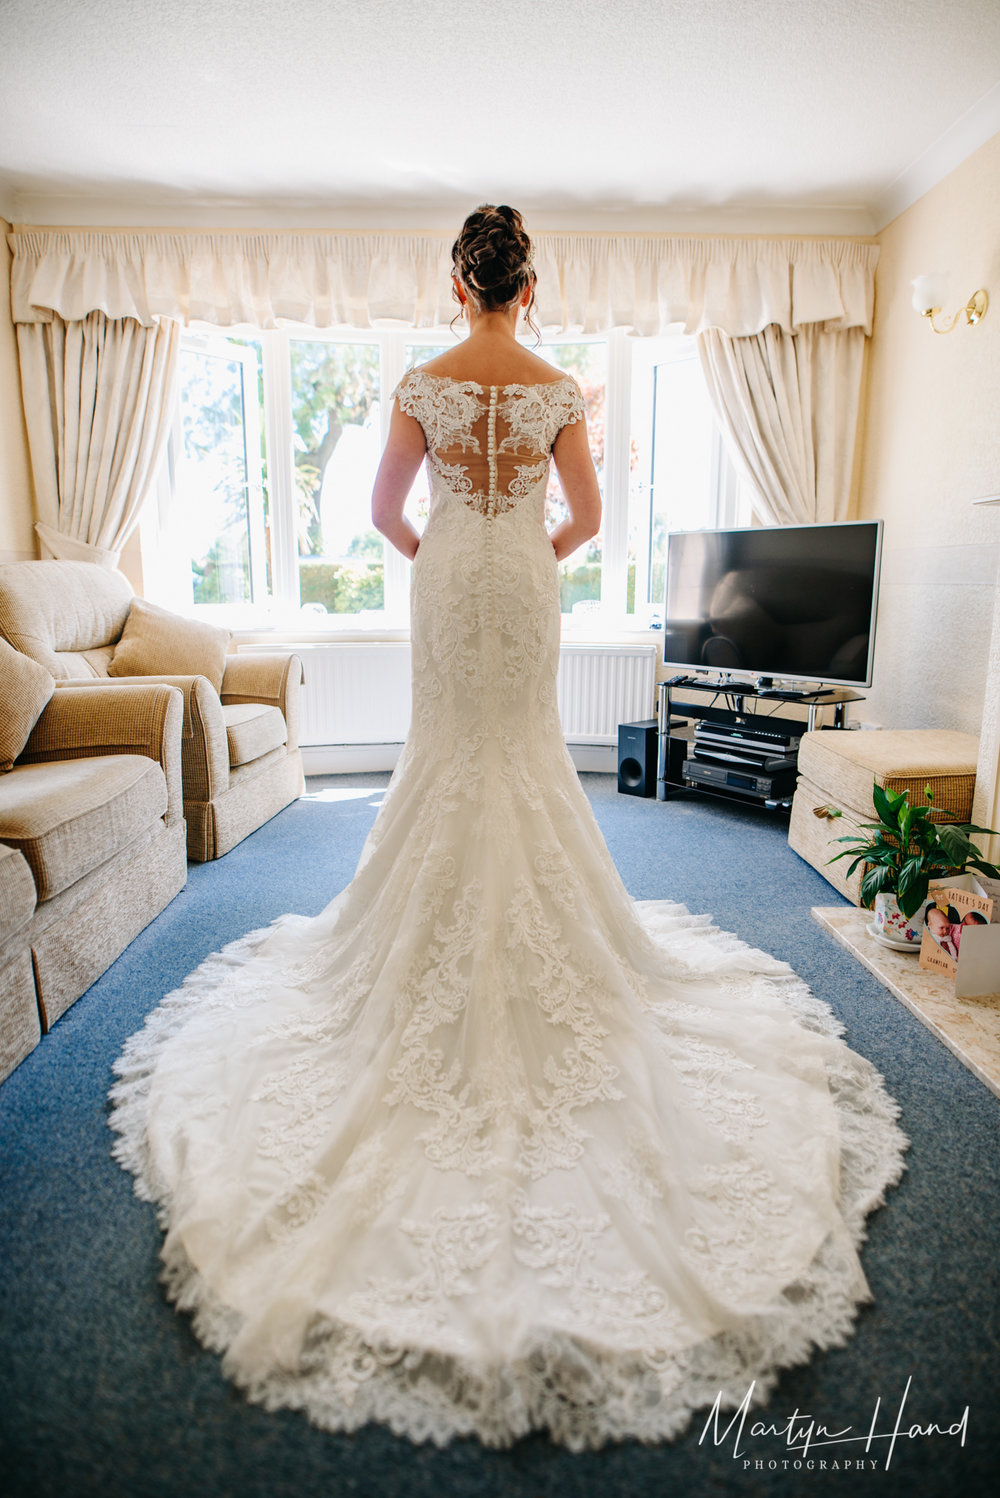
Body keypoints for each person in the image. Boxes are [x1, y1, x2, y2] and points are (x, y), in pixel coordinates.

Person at [111, 205, 908, 1451]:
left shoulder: (422, 382)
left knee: (450, 751)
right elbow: (585, 521)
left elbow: (383, 509)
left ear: (457, 280)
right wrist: (524, 533)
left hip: (447, 576)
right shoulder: (555, 387)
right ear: (529, 283)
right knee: (524, 752)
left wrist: (445, 538)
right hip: (523, 579)